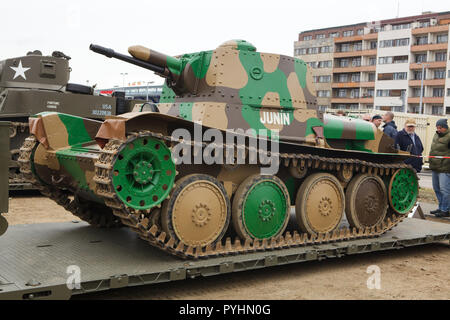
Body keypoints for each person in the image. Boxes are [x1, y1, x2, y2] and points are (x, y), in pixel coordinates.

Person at [429, 118, 450, 218]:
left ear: (445, 128)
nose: (438, 129)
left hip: (445, 168)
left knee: (444, 190)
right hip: (435, 166)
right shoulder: (436, 135)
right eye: (437, 127)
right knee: (436, 188)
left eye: (440, 127)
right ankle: (441, 206)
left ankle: (445, 209)